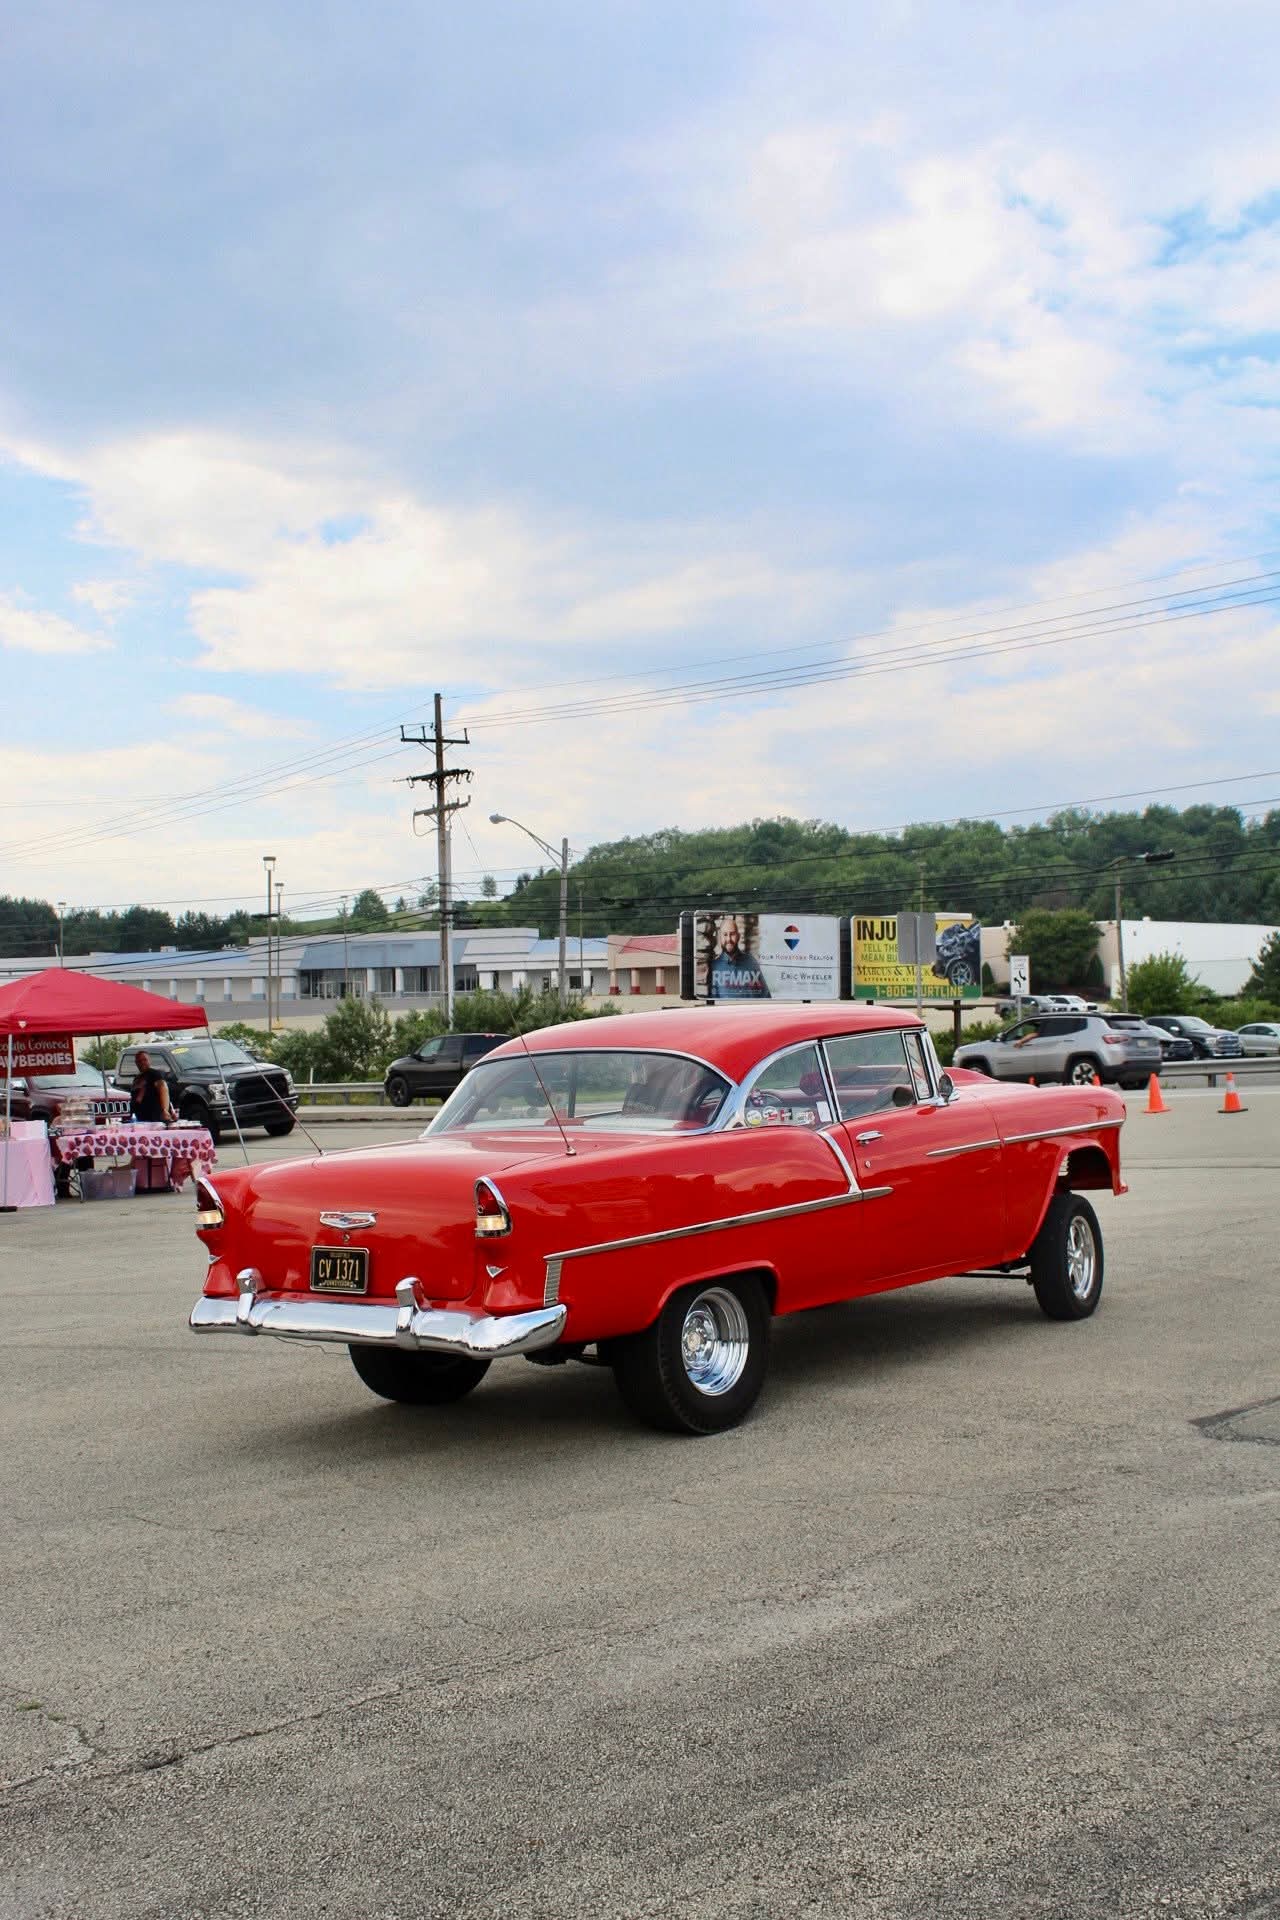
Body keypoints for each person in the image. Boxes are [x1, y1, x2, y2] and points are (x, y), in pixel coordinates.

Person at [708, 916, 770, 1000]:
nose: (729, 939)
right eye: (725, 934)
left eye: (732, 934)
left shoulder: (751, 962)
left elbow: (765, 996)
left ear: (738, 936)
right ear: (720, 937)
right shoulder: (714, 967)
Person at [130, 1050, 173, 1125]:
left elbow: (163, 1089)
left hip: (155, 1119)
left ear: (149, 1061)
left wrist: (165, 1110)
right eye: (139, 1061)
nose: (142, 1062)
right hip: (141, 1119)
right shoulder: (137, 1078)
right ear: (136, 1063)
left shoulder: (154, 1074)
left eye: (145, 1060)